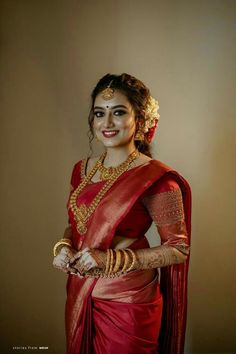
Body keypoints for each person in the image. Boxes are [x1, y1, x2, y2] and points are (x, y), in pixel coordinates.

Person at [52, 73, 191, 354]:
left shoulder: (157, 178)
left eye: (118, 112)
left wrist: (110, 259)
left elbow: (179, 249)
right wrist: (64, 246)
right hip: (81, 291)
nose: (107, 122)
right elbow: (77, 225)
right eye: (99, 113)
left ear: (139, 120)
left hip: (128, 302)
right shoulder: (82, 169)